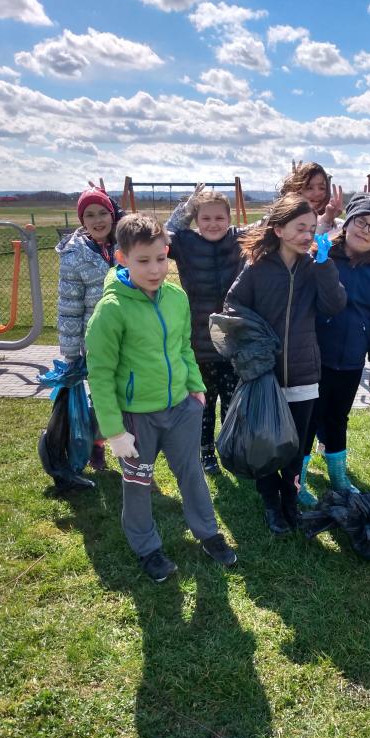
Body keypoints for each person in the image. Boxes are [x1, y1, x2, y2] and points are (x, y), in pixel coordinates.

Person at [85, 213, 237, 581]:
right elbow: (100, 375)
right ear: (122, 258)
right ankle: (147, 548)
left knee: (192, 473)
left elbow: (183, 347)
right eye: (143, 261)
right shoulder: (111, 310)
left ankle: (208, 533)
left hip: (181, 408)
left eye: (160, 258)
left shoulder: (176, 297)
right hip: (137, 417)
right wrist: (114, 431)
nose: (154, 269)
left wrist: (196, 388)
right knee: (138, 483)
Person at [225, 194, 346, 534]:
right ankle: (271, 504)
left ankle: (290, 503)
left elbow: (335, 305)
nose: (307, 235)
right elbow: (232, 306)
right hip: (265, 373)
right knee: (266, 444)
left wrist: (325, 265)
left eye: (311, 228)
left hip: (305, 373)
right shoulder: (257, 267)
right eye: (299, 228)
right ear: (278, 229)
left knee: (296, 446)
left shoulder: (314, 266)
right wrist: (257, 342)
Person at [298, 193, 370, 505]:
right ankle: (297, 479)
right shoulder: (321, 258)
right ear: (347, 223)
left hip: (351, 363)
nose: (365, 231)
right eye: (361, 222)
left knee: (338, 419)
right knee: (309, 419)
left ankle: (339, 477)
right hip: (314, 359)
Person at [166, 188, 244, 475]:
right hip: (198, 343)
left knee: (232, 402)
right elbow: (164, 234)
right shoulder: (186, 243)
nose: (213, 224)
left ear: (229, 219)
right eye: (206, 218)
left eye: (219, 218)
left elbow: (273, 225)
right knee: (203, 403)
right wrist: (186, 208)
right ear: (196, 220)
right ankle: (206, 452)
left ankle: (229, 448)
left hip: (232, 341)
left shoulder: (239, 239)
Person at [56, 185, 121, 471]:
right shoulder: (74, 256)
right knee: (102, 397)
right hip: (96, 342)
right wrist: (72, 354)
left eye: (103, 213)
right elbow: (69, 307)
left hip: (130, 336)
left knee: (130, 395)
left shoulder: (126, 243)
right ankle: (97, 444)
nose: (97, 220)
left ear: (112, 215)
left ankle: (132, 451)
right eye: (90, 215)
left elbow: (162, 234)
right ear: (82, 220)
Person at [279, 161, 344, 234]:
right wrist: (326, 220)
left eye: (322, 188)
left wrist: (328, 219)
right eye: (309, 188)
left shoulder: (339, 226)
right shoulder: (283, 224)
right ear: (296, 190)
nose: (317, 193)